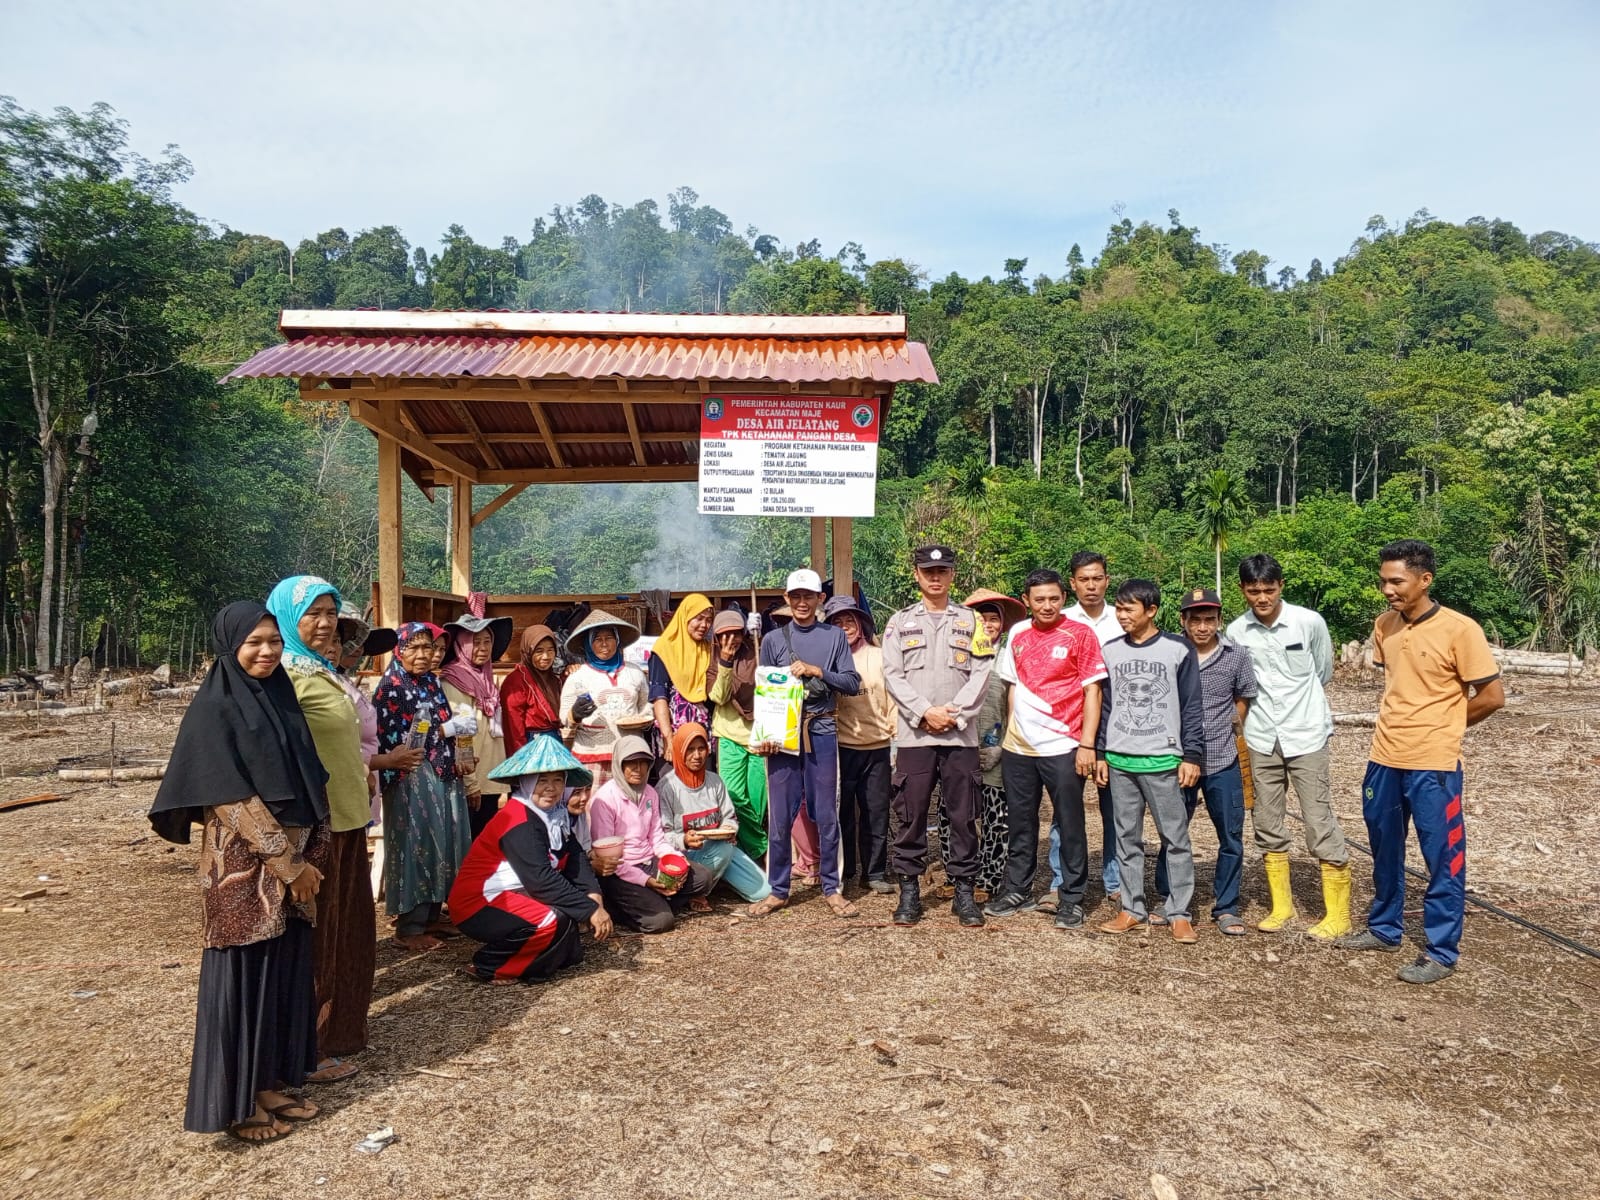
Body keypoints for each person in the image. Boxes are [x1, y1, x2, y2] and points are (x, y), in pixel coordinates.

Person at [148, 602, 330, 1143]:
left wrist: (307, 862)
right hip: (243, 873)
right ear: (230, 646)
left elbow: (308, 780)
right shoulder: (215, 707)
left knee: (279, 976)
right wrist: (289, 865)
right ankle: (238, 1104)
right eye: (254, 642)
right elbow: (228, 797)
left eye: (274, 641)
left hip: (293, 868)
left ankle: (267, 1084)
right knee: (243, 981)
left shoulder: (279, 696)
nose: (267, 651)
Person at [1339, 539, 1505, 983]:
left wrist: (1446, 725)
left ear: (1425, 579)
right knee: (1384, 846)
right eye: (1383, 581)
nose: (1387, 590)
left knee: (1443, 857)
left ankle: (1441, 951)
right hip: (1384, 756)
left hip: (1435, 764)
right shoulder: (1385, 625)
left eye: (1397, 581)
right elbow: (1401, 684)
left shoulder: (1460, 629)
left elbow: (1492, 696)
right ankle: (1384, 928)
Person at [264, 576, 372, 1086]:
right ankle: (308, 1045)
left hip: (348, 819)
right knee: (316, 939)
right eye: (313, 613)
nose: (326, 622)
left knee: (347, 933)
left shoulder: (321, 670)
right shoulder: (283, 675)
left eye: (331, 612)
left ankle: (340, 1032)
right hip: (315, 826)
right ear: (288, 617)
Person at [1226, 553, 1351, 938]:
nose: (1262, 598)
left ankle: (1338, 915)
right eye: (1253, 591)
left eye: (1269, 589)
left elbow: (1323, 671)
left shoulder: (1308, 622)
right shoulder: (1237, 632)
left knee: (1318, 818)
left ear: (1281, 586)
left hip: (1306, 733)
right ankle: (1282, 907)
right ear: (1242, 590)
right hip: (1261, 736)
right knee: (1266, 819)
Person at [985, 568, 1107, 930]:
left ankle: (1071, 896)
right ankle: (1016, 889)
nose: (1047, 605)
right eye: (1039, 599)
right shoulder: (1018, 633)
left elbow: (1093, 691)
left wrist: (1087, 744)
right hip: (1019, 748)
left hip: (1064, 744)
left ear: (1063, 598)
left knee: (1069, 822)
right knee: (1020, 822)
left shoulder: (1080, 633)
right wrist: (1010, 735)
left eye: (1054, 598)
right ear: (1027, 601)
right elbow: (1012, 687)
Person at [881, 545, 993, 927]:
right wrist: (925, 712)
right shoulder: (899, 623)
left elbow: (981, 672)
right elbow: (892, 675)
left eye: (942, 570)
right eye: (928, 570)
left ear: (952, 575)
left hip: (959, 737)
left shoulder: (971, 621)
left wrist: (953, 713)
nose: (935, 576)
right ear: (916, 574)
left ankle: (964, 893)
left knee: (963, 816)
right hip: (915, 735)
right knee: (910, 815)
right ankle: (909, 892)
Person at [448, 734, 612, 985]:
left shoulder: (555, 816)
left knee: (568, 937)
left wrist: (593, 894)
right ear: (526, 781)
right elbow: (540, 880)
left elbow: (575, 856)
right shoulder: (518, 819)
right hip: (480, 901)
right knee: (549, 920)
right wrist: (589, 910)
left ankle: (533, 960)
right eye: (542, 780)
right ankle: (490, 965)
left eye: (558, 780)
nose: (551, 788)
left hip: (516, 893)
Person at [746, 568, 862, 920]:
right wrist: (765, 735)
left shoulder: (834, 637)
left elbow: (852, 682)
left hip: (821, 730)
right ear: (786, 598)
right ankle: (778, 890)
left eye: (808, 596)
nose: (801, 602)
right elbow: (766, 691)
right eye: (795, 596)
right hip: (782, 737)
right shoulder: (772, 640)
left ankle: (832, 887)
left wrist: (817, 671)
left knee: (826, 813)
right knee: (780, 815)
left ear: (819, 599)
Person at [1096, 580, 1206, 943]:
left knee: (1175, 838)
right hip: (1120, 759)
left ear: (1152, 610)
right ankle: (1132, 908)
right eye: (1119, 608)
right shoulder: (1110, 651)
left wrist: (1191, 755)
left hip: (1162, 760)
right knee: (1126, 838)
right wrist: (1100, 752)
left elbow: (1192, 706)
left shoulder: (1178, 649)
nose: (1122, 615)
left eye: (1129, 609)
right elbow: (1105, 706)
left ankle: (1179, 912)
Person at [1148, 588, 1258, 936]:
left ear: (1219, 620)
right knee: (1173, 832)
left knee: (1231, 835)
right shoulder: (1170, 652)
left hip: (1222, 758)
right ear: (1183, 620)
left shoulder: (1236, 655)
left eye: (1209, 620)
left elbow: (1243, 697)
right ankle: (1170, 898)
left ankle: (1226, 906)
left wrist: (1227, 726)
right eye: (1195, 620)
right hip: (1177, 760)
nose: (1202, 627)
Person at [373, 622, 475, 952]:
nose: (422, 654)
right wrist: (445, 730)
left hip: (442, 771)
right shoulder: (391, 687)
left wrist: (458, 746)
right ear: (399, 651)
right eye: (413, 648)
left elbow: (441, 722)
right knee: (417, 844)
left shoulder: (430, 681)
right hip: (411, 776)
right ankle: (409, 925)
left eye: (427, 648)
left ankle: (432, 914)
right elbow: (401, 739)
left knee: (443, 841)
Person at [1048, 550, 1124, 911]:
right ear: (1072, 584)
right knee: (1065, 811)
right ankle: (1060, 881)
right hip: (1068, 728)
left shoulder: (1122, 618)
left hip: (1117, 728)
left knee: (1117, 811)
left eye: (1097, 578)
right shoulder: (1060, 621)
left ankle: (1116, 881)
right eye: (1083, 579)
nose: (1091, 586)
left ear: (1107, 580)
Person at [588, 736, 716, 932]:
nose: (638, 769)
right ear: (620, 765)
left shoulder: (649, 793)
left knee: (703, 878)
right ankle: (620, 908)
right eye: (631, 763)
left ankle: (655, 901)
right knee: (661, 922)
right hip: (620, 871)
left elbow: (657, 838)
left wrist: (676, 859)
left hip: (649, 861)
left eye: (644, 763)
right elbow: (609, 859)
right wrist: (646, 881)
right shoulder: (605, 800)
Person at [953, 589, 1028, 899]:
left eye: (993, 618)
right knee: (954, 814)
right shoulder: (957, 656)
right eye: (980, 617)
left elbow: (1017, 707)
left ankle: (989, 878)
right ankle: (957, 875)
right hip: (958, 747)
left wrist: (1002, 746)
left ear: (1003, 623)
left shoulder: (1011, 657)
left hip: (999, 749)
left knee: (995, 818)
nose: (987, 623)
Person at [656, 722, 773, 903]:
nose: (697, 756)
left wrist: (729, 829)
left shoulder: (715, 781)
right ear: (679, 750)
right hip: (685, 855)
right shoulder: (667, 788)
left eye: (701, 749)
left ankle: (715, 879)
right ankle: (697, 892)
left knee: (763, 892)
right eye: (690, 749)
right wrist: (684, 840)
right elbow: (660, 836)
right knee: (724, 849)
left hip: (718, 848)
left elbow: (729, 817)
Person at [826, 595, 896, 894]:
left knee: (876, 812)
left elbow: (894, 700)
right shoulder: (827, 661)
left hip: (877, 745)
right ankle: (843, 870)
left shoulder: (879, 657)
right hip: (840, 747)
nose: (845, 627)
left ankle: (875, 872)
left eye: (849, 621)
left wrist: (895, 742)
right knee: (840, 813)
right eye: (837, 622)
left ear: (860, 624)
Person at [440, 595, 515, 839]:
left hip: (490, 776)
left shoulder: (486, 679)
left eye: (487, 642)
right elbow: (461, 735)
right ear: (462, 645)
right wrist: (470, 783)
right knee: (471, 843)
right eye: (475, 642)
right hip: (473, 782)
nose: (483, 648)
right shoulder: (454, 680)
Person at [559, 609, 651, 786]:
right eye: (597, 639)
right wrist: (575, 714)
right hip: (593, 755)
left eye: (609, 638)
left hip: (630, 754)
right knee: (595, 802)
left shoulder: (634, 672)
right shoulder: (578, 677)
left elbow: (645, 706)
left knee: (629, 801)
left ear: (617, 641)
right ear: (588, 644)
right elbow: (564, 717)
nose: (604, 644)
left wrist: (644, 720)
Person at [706, 609, 768, 862]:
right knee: (733, 797)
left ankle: (746, 857)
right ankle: (762, 848)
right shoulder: (712, 659)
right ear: (716, 637)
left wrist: (760, 641)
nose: (731, 639)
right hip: (729, 735)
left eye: (736, 633)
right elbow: (719, 697)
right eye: (724, 634)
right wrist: (725, 662)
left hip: (759, 735)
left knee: (757, 801)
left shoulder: (757, 653)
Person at [648, 593, 715, 748]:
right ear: (685, 617)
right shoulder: (664, 649)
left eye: (708, 620)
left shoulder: (708, 650)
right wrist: (668, 737)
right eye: (699, 618)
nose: (704, 625)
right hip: (674, 730)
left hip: (702, 732)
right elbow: (659, 695)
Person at [500, 624, 564, 756]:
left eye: (550, 650)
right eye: (539, 651)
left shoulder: (554, 679)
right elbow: (513, 728)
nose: (546, 656)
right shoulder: (516, 681)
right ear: (528, 651)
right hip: (530, 748)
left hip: (555, 744)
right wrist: (519, 758)